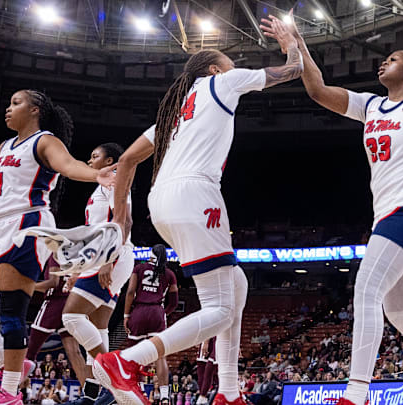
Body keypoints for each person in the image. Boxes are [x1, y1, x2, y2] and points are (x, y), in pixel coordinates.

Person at [260, 10, 403, 405]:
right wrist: (296, 43)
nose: (384, 62)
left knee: (365, 290)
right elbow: (317, 90)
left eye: (393, 59)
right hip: (389, 214)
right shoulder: (371, 106)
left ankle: (356, 395)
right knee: (400, 309)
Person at [91, 16, 303, 405]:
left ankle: (228, 393)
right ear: (213, 69)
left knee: (235, 285)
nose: (235, 68)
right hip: (196, 194)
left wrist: (121, 216)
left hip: (161, 201)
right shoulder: (222, 82)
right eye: (229, 62)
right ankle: (128, 360)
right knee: (222, 307)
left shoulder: (174, 114)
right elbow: (293, 70)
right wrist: (291, 42)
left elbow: (126, 162)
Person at [0, 89, 115, 405]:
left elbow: (68, 165)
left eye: (15, 103)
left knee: (12, 312)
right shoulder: (6, 146)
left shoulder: (45, 141)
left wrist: (95, 174)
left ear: (35, 109)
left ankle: (10, 393)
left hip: (29, 224)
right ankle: (9, 363)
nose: (8, 109)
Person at [61, 142, 133, 405]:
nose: (89, 161)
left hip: (111, 256)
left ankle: (116, 380)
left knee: (71, 316)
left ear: (109, 160)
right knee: (98, 327)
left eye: (95, 157)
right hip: (101, 256)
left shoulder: (114, 183)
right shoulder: (102, 186)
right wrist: (77, 270)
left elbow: (124, 222)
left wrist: (108, 260)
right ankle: (94, 395)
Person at [124, 244, 179, 404]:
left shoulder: (139, 268)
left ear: (151, 254)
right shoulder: (169, 273)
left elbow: (130, 292)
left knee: (136, 355)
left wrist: (127, 315)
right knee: (160, 356)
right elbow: (174, 302)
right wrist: (163, 313)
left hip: (139, 312)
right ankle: (164, 395)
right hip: (157, 313)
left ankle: (139, 389)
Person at [26, 257, 86, 384]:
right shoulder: (74, 254)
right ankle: (91, 395)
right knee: (75, 353)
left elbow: (53, 283)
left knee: (29, 353)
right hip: (71, 302)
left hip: (55, 302)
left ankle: (11, 393)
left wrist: (28, 287)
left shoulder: (55, 255)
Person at [195, 338, 217, 405]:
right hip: (207, 335)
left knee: (211, 366)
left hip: (215, 337)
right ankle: (203, 397)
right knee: (202, 369)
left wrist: (206, 341)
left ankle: (203, 396)